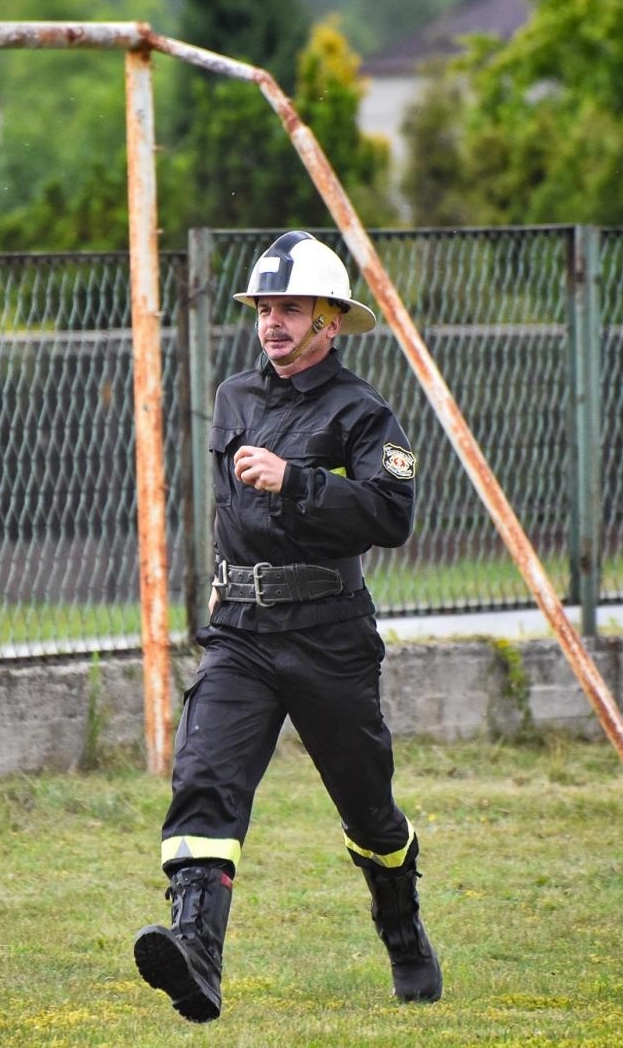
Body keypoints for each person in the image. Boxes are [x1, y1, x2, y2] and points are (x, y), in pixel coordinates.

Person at [133, 231, 440, 1022]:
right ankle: (196, 953)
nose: (272, 322)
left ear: (329, 322)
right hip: (241, 631)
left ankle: (401, 930)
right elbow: (236, 511)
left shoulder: (363, 413)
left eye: (290, 309)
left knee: (369, 810)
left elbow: (390, 515)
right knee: (205, 776)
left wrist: (296, 480)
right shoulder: (235, 395)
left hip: (330, 633)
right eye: (265, 308)